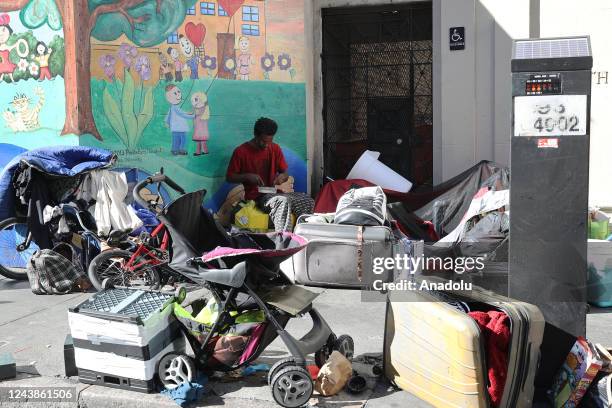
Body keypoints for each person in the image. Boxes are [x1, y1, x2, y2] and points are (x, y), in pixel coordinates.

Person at [226, 117, 314, 232]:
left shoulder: (275, 148)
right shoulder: (241, 151)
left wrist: (282, 177)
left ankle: (303, 235)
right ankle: (283, 241)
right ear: (255, 135)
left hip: (274, 193)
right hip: (256, 197)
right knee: (282, 202)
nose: (266, 145)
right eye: (263, 141)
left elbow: (285, 173)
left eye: (269, 141)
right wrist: (247, 176)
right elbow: (230, 177)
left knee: (307, 200)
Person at [164, 84, 193, 155]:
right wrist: (193, 116)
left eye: (178, 92)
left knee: (176, 139)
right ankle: (181, 150)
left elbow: (170, 115)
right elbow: (181, 114)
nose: (178, 95)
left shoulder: (173, 107)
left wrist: (167, 122)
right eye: (175, 93)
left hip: (175, 127)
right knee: (183, 139)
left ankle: (175, 150)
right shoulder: (175, 107)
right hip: (180, 127)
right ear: (169, 98)